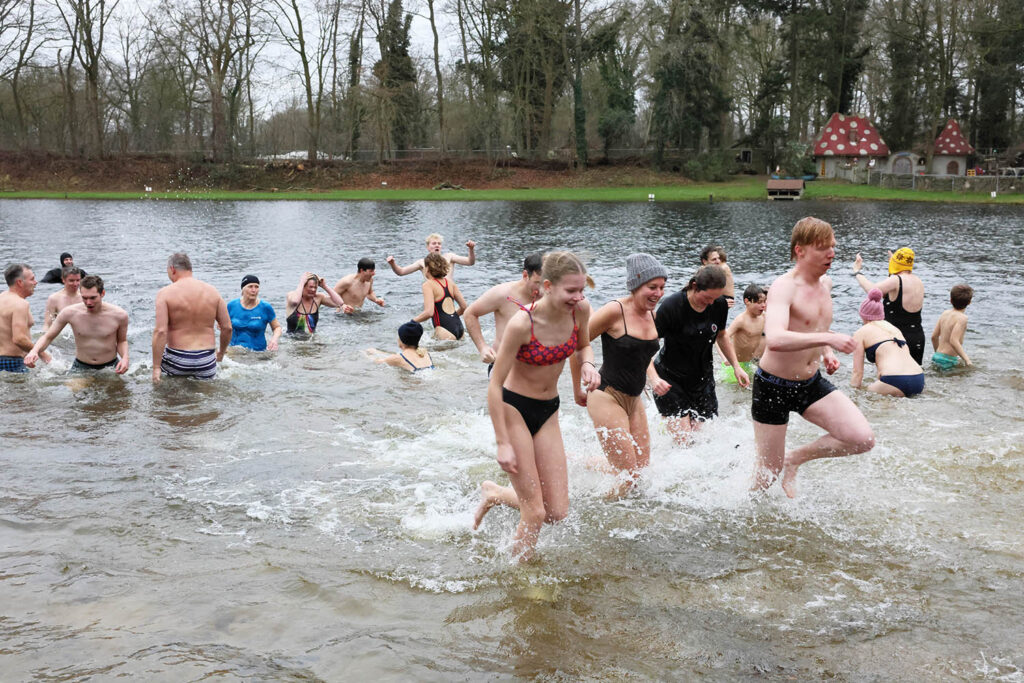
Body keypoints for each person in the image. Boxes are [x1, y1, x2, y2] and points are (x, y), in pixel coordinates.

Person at [472, 251, 601, 562]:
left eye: (581, 289)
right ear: (547, 286)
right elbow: (495, 384)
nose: (578, 296)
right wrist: (502, 443)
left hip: (549, 410)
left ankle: (495, 493)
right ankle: (523, 580)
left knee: (557, 511)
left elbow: (584, 345)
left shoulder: (580, 310)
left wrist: (589, 366)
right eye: (571, 290)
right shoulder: (522, 323)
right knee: (535, 511)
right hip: (513, 407)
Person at [751, 217, 875, 498]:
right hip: (773, 386)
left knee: (862, 438)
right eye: (822, 248)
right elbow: (776, 339)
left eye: (832, 246)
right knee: (766, 477)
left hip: (810, 383)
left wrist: (827, 353)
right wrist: (828, 340)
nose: (831, 253)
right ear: (800, 250)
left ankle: (794, 459)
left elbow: (816, 328)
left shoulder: (826, 284)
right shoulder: (784, 287)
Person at [572, 253, 666, 498]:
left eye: (662, 288)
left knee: (641, 474)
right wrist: (578, 386)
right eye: (652, 287)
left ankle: (575, 461)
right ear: (635, 285)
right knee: (628, 480)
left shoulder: (654, 315)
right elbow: (577, 345)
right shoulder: (614, 311)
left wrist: (653, 378)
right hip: (606, 396)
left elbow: (643, 355)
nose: (658, 294)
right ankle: (594, 516)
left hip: (635, 401)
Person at [648, 265, 750, 445]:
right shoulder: (672, 306)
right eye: (708, 297)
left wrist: (736, 366)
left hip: (703, 379)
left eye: (715, 298)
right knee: (684, 443)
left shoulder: (718, 304)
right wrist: (653, 378)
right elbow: (645, 344)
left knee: (705, 441)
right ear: (694, 286)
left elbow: (722, 335)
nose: (711, 303)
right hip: (670, 379)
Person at [24, 275, 130, 373]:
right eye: (84, 298)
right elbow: (48, 336)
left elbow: (122, 341)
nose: (88, 302)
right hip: (81, 367)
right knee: (74, 391)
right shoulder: (69, 313)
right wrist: (34, 351)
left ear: (102, 294)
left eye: (93, 298)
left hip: (110, 367)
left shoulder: (119, 315)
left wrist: (125, 358)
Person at [152, 252, 231, 381]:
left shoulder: (165, 293)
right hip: (206, 359)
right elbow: (227, 327)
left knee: (171, 397)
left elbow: (160, 332)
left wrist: (156, 367)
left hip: (178, 358)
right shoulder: (213, 291)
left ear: (172, 269)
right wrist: (221, 353)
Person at [464, 252, 544, 368]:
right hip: (503, 366)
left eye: (545, 283)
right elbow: (470, 313)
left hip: (536, 367)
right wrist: (482, 347)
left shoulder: (550, 294)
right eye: (537, 283)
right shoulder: (503, 294)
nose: (541, 289)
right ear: (525, 275)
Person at [853, 247, 924, 364]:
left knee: (891, 376)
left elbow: (872, 291)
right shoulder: (918, 280)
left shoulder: (896, 280)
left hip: (898, 338)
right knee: (914, 375)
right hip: (917, 337)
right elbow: (893, 292)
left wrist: (857, 272)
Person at [851, 289, 925, 397]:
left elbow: (857, 373)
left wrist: (852, 395)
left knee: (864, 394)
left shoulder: (861, 332)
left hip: (895, 380)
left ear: (863, 315)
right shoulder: (894, 329)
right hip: (918, 379)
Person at [0, 264, 47, 372]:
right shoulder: (20, 304)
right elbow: (19, 339)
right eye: (32, 279)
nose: (36, 282)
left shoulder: (2, 298)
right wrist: (42, 354)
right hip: (12, 361)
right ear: (20, 283)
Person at [413, 253, 467, 340]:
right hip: (459, 327)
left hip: (444, 330)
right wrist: (451, 318)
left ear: (427, 269)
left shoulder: (428, 285)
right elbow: (464, 307)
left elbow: (429, 312)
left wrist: (412, 322)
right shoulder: (450, 283)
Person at [722, 284, 766, 384]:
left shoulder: (764, 317)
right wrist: (725, 358)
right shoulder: (741, 320)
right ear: (747, 301)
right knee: (734, 393)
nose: (763, 305)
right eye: (759, 302)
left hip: (748, 363)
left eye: (764, 301)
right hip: (734, 365)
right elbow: (721, 337)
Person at [386, 233, 476, 280]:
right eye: (434, 243)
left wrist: (471, 249)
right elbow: (401, 272)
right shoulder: (422, 262)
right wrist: (392, 263)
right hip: (434, 296)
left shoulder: (449, 257)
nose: (437, 245)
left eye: (439, 244)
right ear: (428, 247)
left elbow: (470, 262)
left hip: (449, 294)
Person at [227, 274, 281, 351]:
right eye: (250, 286)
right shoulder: (231, 305)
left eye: (256, 287)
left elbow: (277, 327)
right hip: (234, 351)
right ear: (243, 289)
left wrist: (274, 340)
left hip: (258, 353)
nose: (254, 290)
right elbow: (223, 326)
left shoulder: (265, 307)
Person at [284, 272, 349, 334]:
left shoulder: (318, 298)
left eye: (315, 287)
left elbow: (339, 303)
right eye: (311, 287)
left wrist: (325, 286)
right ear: (303, 286)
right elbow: (295, 302)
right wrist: (301, 282)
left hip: (312, 341)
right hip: (292, 341)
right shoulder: (291, 295)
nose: (313, 290)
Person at [931, 283, 973, 369]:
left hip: (937, 356)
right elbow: (953, 341)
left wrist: (938, 354)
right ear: (969, 302)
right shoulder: (962, 318)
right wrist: (967, 360)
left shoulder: (945, 313)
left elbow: (934, 337)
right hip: (949, 360)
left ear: (950, 300)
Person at [366, 321, 434, 372]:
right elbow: (394, 357)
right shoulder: (425, 352)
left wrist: (364, 354)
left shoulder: (399, 358)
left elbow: (377, 362)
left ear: (402, 340)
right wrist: (377, 352)